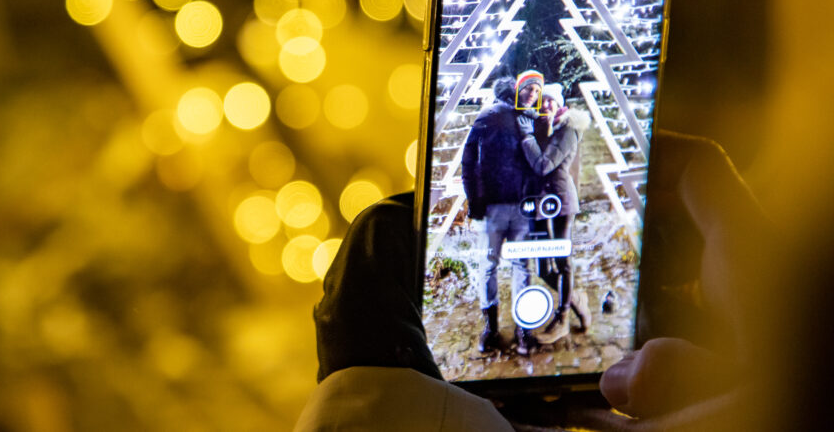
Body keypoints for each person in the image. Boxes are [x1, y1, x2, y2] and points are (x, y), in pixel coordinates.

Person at [298, 131, 778, 431]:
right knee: (505, 267)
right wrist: (789, 395)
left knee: (556, 269)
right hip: (519, 208)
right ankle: (513, 335)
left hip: (553, 207)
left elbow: (549, 166)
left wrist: (370, 411)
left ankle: (565, 329)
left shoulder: (559, 134)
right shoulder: (504, 126)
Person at [460, 70, 544, 355]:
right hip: (522, 205)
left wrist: (474, 202)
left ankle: (491, 329)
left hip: (492, 206)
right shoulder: (528, 119)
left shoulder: (485, 117)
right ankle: (524, 332)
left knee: (489, 265)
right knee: (522, 267)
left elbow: (467, 163)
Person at [516, 82, 592, 343]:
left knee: (562, 261)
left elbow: (543, 165)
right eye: (543, 100)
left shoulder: (568, 128)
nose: (546, 104)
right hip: (537, 202)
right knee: (542, 268)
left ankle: (562, 320)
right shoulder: (540, 125)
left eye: (551, 101)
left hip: (561, 200)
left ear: (561, 105)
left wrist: (527, 138)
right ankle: (576, 298)